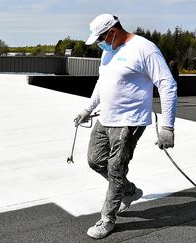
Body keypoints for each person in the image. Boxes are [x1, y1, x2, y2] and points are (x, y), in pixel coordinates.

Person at [75, 14, 178, 239]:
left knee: (115, 169)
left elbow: (167, 85)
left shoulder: (144, 48)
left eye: (101, 38)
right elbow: (102, 83)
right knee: (95, 160)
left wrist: (167, 127)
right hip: (106, 118)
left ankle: (107, 219)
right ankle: (129, 191)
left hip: (129, 122)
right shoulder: (108, 50)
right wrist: (87, 109)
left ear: (112, 32)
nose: (99, 43)